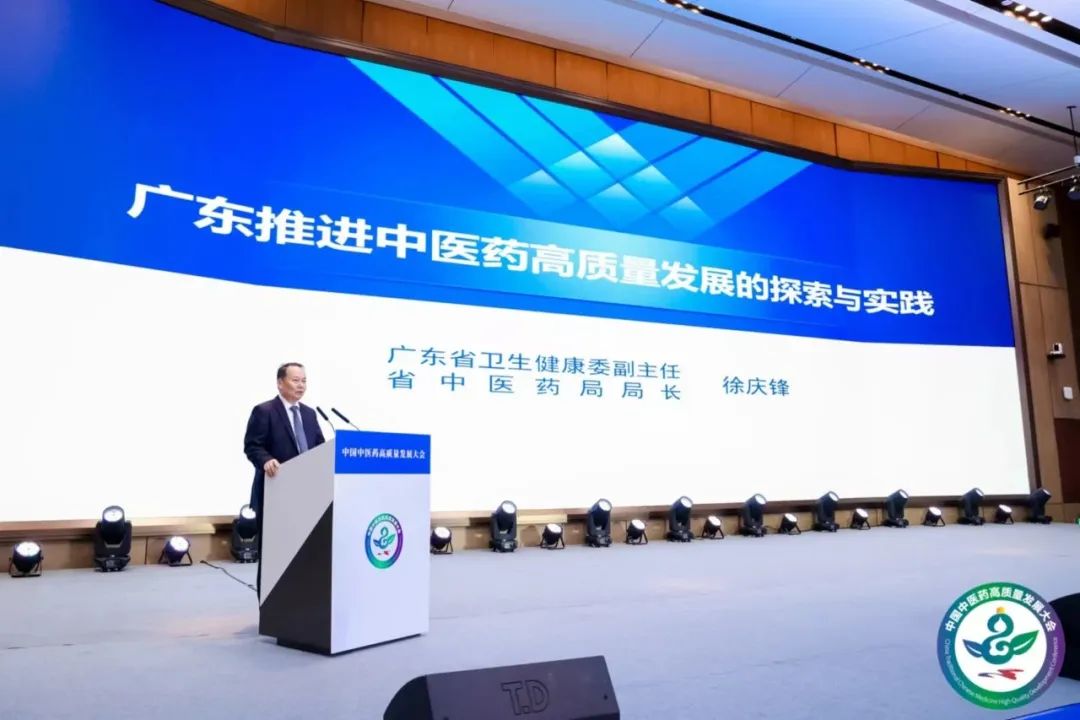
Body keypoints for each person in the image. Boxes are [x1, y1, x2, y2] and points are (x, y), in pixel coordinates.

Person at [243, 362, 326, 596]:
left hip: (306, 497)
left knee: (305, 552)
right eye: (295, 380)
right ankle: (270, 606)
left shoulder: (309, 414)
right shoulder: (264, 411)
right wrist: (266, 460)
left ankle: (301, 601)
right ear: (280, 383)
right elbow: (252, 446)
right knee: (275, 553)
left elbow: (319, 448)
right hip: (275, 494)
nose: (301, 385)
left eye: (304, 381)